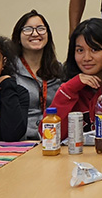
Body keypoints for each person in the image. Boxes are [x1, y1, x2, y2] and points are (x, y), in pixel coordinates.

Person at [10, 10, 64, 140]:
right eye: (28, 29)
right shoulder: (10, 70)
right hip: (22, 140)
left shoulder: (58, 69)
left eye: (41, 29)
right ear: (18, 36)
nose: (35, 33)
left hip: (54, 139)